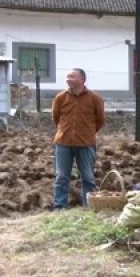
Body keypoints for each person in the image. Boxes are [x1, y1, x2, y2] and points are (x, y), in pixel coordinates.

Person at [52, 68, 106, 209]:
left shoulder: (94, 98)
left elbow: (100, 120)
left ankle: (89, 207)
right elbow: (56, 118)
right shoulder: (60, 97)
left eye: (72, 76)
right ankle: (59, 207)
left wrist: (87, 133)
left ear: (82, 80)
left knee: (88, 177)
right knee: (62, 177)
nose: (68, 79)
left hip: (86, 144)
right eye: (67, 76)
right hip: (63, 143)